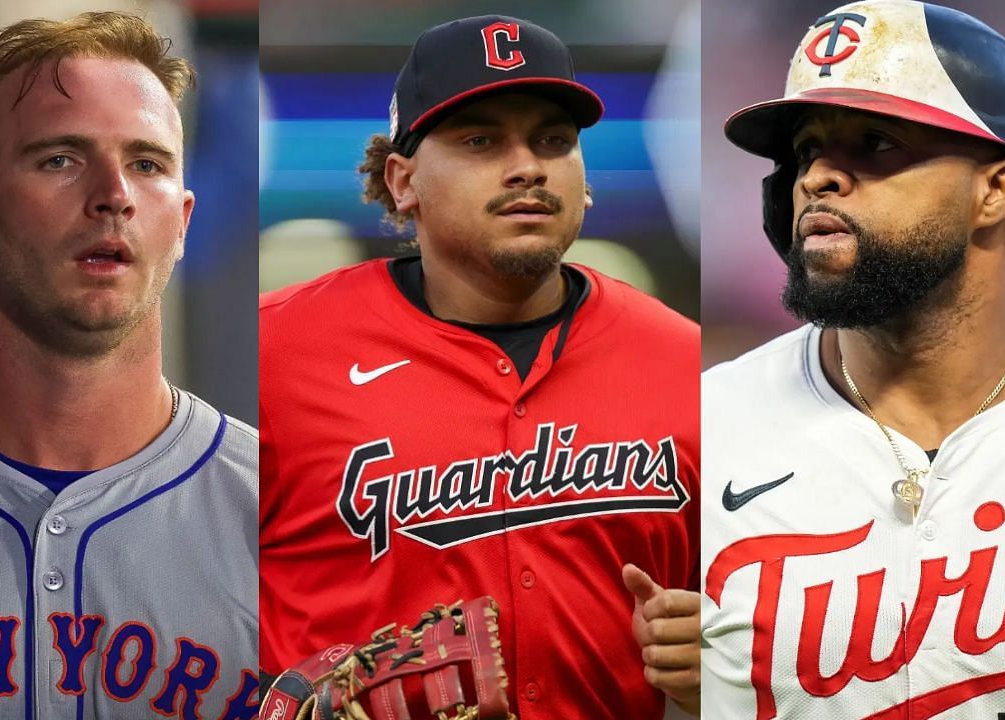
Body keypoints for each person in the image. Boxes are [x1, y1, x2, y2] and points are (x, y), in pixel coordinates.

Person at [701, 1, 1005, 719]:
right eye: (807, 150)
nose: (817, 179)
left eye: (873, 144)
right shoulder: (702, 430)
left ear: (996, 189)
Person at [259, 15, 700, 719]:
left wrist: (729, 671)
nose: (528, 164)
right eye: (481, 140)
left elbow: (773, 639)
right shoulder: (275, 352)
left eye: (553, 140)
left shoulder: (681, 360)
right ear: (401, 182)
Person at [0, 12, 258, 720]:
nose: (113, 195)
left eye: (146, 163)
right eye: (59, 159)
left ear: (184, 220)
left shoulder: (286, 519)